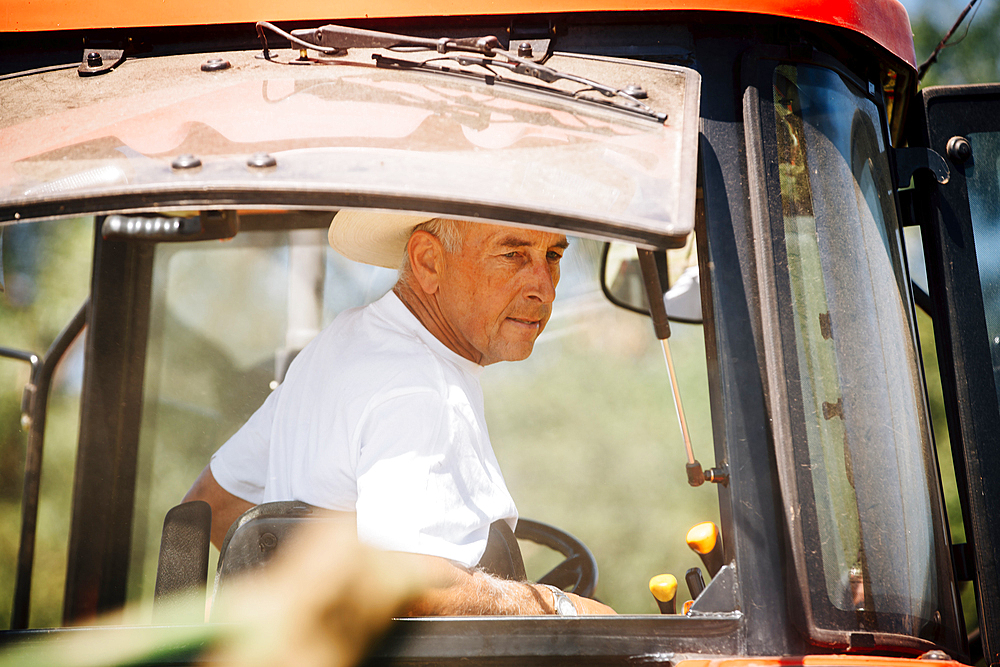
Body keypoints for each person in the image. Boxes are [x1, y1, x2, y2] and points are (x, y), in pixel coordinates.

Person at [184, 211, 614, 616]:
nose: (544, 287)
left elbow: (214, 503)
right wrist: (563, 607)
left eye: (553, 256)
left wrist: (303, 620)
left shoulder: (338, 345)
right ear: (428, 261)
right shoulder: (421, 385)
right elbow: (410, 587)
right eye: (512, 255)